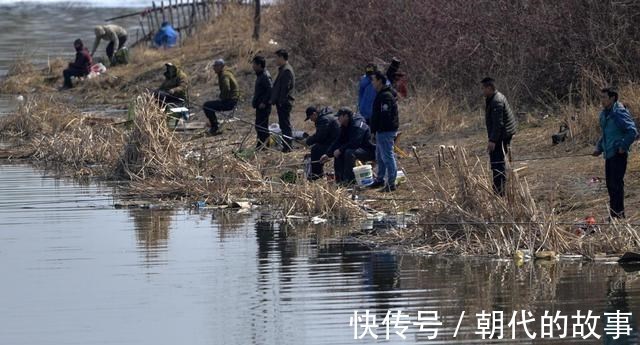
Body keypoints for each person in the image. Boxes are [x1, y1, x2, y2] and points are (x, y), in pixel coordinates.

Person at [592, 87, 637, 219]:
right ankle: (614, 214)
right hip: (609, 154)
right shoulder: (605, 114)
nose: (602, 100)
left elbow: (632, 131)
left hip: (618, 154)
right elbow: (605, 134)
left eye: (604, 98)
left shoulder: (619, 112)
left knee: (617, 185)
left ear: (612, 98)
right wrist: (599, 148)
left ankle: (619, 215)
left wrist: (623, 146)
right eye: (601, 97)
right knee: (610, 185)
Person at [481, 77, 517, 196]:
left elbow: (498, 124)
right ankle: (499, 188)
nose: (483, 91)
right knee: (498, 161)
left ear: (490, 88)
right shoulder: (495, 97)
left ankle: (500, 191)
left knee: (497, 163)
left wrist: (492, 140)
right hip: (503, 134)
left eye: (484, 88)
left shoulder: (496, 101)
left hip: (502, 135)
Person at [321, 108, 375, 185]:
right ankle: (340, 180)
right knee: (339, 152)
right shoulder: (345, 125)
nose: (338, 119)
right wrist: (328, 154)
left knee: (348, 152)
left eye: (339, 116)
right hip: (356, 149)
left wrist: (340, 150)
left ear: (346, 116)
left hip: (368, 150)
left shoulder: (357, 125)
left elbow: (355, 142)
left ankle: (350, 181)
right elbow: (338, 141)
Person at [368, 71, 399, 192]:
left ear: (380, 81)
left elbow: (385, 116)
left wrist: (378, 129)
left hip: (386, 131)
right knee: (379, 157)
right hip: (380, 131)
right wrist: (374, 131)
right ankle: (380, 179)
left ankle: (391, 183)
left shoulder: (386, 96)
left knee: (387, 156)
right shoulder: (381, 94)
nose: (372, 82)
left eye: (373, 80)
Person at [203, 59, 240, 135]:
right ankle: (215, 125)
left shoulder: (224, 75)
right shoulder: (226, 73)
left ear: (221, 66)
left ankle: (215, 127)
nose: (214, 68)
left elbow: (226, 87)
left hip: (230, 102)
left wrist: (222, 98)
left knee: (206, 106)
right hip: (233, 100)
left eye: (216, 66)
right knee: (209, 105)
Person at [270, 49, 296, 152]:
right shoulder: (283, 69)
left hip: (284, 103)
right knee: (283, 125)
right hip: (282, 103)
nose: (275, 60)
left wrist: (280, 101)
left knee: (285, 125)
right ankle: (286, 146)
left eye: (276, 58)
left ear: (281, 57)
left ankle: (288, 147)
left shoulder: (287, 70)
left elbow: (285, 88)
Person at [305, 106, 340, 180]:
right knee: (317, 147)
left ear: (314, 114)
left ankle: (316, 175)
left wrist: (309, 141)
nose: (311, 120)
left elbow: (320, 136)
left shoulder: (323, 120)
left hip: (336, 144)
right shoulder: (326, 116)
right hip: (335, 141)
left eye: (310, 117)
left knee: (315, 150)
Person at [251, 55, 272, 149]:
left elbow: (270, 90)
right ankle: (262, 145)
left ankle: (264, 146)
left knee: (262, 127)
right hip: (259, 107)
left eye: (254, 64)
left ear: (259, 65)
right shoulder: (260, 75)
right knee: (259, 126)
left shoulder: (265, 76)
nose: (253, 66)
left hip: (264, 107)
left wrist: (264, 102)